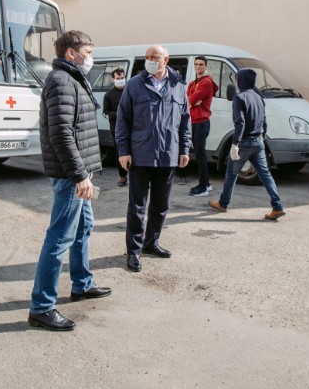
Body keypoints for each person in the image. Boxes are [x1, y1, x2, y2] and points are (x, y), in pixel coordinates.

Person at [28, 30, 111, 332]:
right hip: (70, 176)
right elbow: (61, 133)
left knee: (83, 228)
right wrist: (79, 175)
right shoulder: (61, 81)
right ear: (71, 53)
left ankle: (82, 283)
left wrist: (85, 172)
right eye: (88, 50)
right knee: (60, 237)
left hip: (80, 173)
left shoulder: (74, 79)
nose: (91, 55)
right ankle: (41, 307)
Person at [116, 45, 191, 273]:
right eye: (147, 57)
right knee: (137, 207)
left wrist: (184, 149)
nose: (150, 60)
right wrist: (123, 151)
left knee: (160, 206)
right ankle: (134, 251)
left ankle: (151, 243)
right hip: (140, 156)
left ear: (165, 60)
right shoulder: (134, 85)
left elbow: (185, 121)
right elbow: (123, 120)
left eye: (155, 57)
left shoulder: (178, 86)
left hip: (168, 156)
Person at [208, 69, 286, 220]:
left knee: (231, 174)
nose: (236, 81)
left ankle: (223, 204)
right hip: (258, 141)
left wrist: (235, 143)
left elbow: (240, 122)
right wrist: (262, 134)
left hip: (243, 142)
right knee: (266, 175)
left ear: (241, 80)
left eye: (237, 78)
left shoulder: (239, 97)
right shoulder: (258, 97)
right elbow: (264, 120)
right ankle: (278, 206)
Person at [187, 56, 219, 197]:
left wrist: (193, 101)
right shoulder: (193, 83)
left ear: (206, 67)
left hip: (201, 122)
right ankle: (207, 183)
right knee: (199, 154)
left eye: (201, 64)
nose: (198, 67)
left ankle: (203, 186)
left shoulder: (206, 82)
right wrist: (192, 101)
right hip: (193, 122)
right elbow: (187, 99)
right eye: (196, 64)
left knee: (200, 155)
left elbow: (190, 99)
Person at [102, 68, 129, 187]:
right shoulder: (108, 95)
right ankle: (122, 177)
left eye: (122, 78)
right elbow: (106, 112)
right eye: (118, 78)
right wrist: (119, 114)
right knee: (120, 153)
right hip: (116, 129)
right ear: (113, 80)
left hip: (132, 128)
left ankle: (137, 177)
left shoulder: (130, 91)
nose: (120, 80)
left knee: (136, 152)